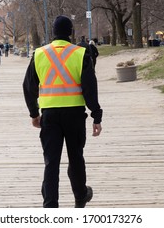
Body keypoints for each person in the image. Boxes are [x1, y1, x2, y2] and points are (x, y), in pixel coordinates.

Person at [23, 15, 103, 208]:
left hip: (49, 115)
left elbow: (28, 86)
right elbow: (89, 88)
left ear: (53, 32)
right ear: (71, 32)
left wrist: (34, 114)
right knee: (76, 158)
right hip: (75, 114)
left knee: (51, 163)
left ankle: (50, 206)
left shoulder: (40, 54)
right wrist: (96, 115)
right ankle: (80, 196)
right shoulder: (80, 53)